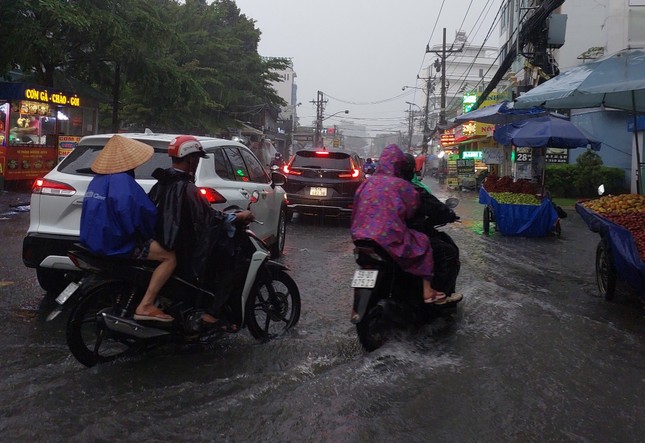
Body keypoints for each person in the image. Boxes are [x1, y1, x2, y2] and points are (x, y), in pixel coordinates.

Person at [148, 135, 255, 331]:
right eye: (196, 159)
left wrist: (218, 216)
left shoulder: (163, 181)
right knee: (232, 261)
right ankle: (211, 314)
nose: (196, 163)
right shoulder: (186, 187)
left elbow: (201, 215)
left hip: (164, 239)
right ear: (191, 159)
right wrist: (237, 217)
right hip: (183, 247)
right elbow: (208, 219)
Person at [80, 135, 177, 322]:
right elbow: (139, 215)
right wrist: (152, 233)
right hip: (115, 243)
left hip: (92, 241)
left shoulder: (98, 181)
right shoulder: (123, 182)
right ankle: (146, 304)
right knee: (169, 256)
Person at [350, 144, 446, 304]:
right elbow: (411, 211)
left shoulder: (367, 183)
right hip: (387, 238)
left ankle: (358, 304)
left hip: (360, 237)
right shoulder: (402, 186)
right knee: (423, 244)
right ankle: (428, 291)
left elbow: (355, 209)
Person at [401, 154, 462, 303]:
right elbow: (435, 208)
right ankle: (440, 293)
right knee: (448, 252)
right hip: (405, 237)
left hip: (376, 237)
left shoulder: (377, 187)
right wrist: (448, 214)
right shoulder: (412, 190)